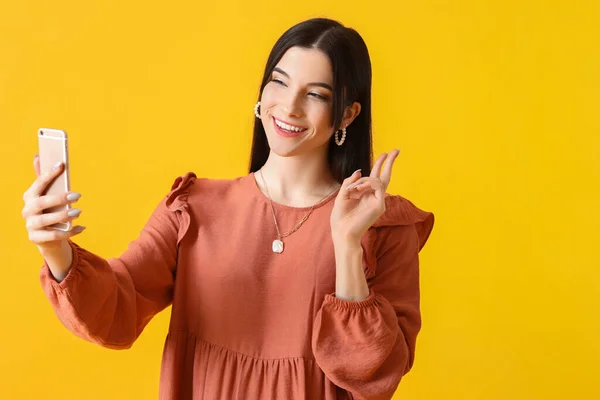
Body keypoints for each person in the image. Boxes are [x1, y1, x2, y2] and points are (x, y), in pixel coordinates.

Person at [22, 18, 434, 400]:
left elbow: (374, 374)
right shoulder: (194, 208)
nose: (288, 107)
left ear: (347, 113)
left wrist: (347, 245)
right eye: (279, 83)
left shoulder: (380, 227)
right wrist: (56, 249)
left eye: (315, 94)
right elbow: (115, 310)